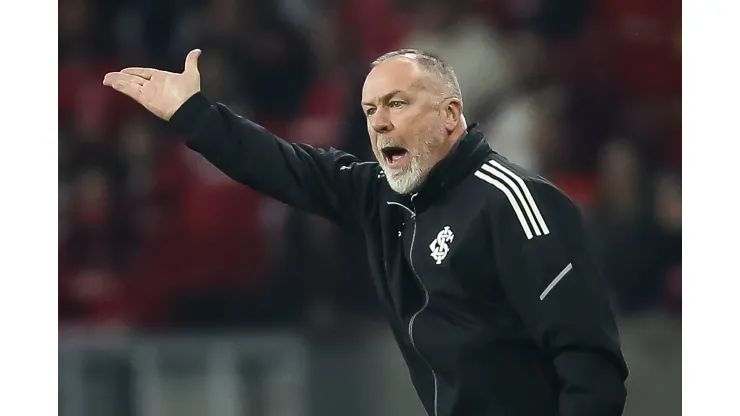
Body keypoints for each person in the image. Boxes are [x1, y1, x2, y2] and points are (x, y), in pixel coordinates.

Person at [103, 48, 628, 416]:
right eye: (370, 109)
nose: (378, 122)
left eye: (397, 103)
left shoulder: (514, 201)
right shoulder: (382, 195)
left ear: (451, 115)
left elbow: (589, 363)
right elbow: (289, 167)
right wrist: (194, 116)